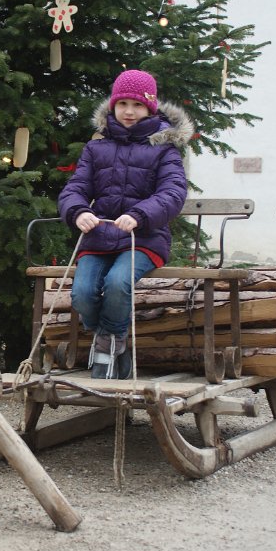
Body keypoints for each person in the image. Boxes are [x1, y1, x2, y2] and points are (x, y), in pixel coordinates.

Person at [58, 69, 191, 379]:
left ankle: (106, 347)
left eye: (137, 105)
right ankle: (115, 339)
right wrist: (78, 211)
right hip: (99, 236)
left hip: (143, 238)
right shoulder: (96, 148)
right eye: (123, 104)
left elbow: (173, 192)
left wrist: (140, 214)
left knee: (118, 283)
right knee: (82, 293)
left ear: (150, 108)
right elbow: (75, 188)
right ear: (113, 106)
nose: (129, 111)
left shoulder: (164, 149)